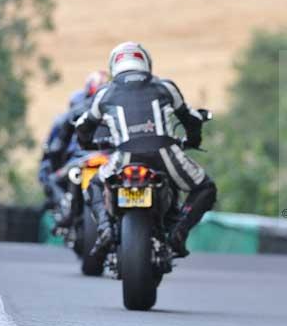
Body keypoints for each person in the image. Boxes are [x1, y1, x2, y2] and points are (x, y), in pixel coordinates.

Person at [76, 42, 217, 257]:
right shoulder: (165, 86)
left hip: (124, 154)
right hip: (165, 152)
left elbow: (83, 125)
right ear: (146, 63)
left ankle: (104, 229)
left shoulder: (104, 93)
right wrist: (193, 140)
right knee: (205, 187)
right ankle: (179, 231)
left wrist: (87, 143)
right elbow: (190, 118)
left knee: (94, 185)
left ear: (114, 65)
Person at [40, 71, 109, 224]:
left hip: (89, 158)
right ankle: (67, 207)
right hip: (107, 158)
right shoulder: (116, 107)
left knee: (52, 179)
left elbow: (58, 146)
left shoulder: (78, 111)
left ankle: (66, 209)